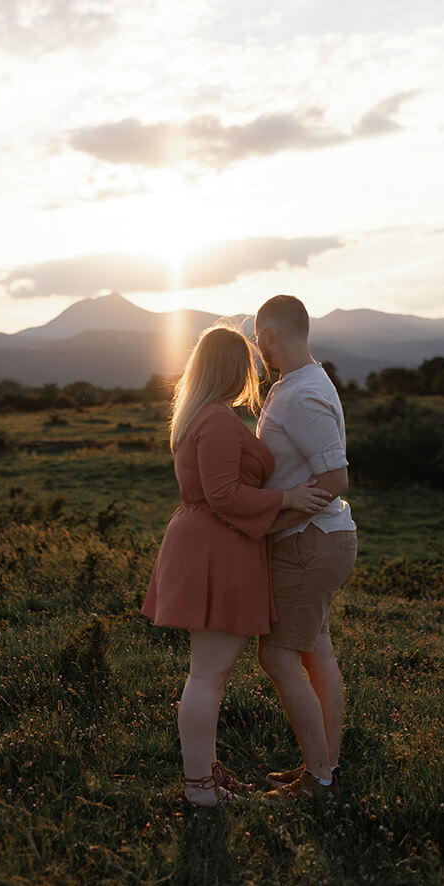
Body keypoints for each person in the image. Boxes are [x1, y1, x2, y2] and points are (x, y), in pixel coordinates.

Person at [142, 326, 332, 807]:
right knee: (207, 675)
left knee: (208, 673)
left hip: (210, 545)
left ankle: (204, 775)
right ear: (233, 369)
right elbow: (224, 494)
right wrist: (286, 496)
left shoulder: (202, 416)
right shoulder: (219, 422)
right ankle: (200, 790)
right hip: (215, 550)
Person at [251, 295, 357, 802]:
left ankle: (319, 781)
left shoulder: (302, 393)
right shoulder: (296, 385)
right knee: (316, 653)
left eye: (258, 335)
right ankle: (323, 769)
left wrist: (276, 518)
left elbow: (335, 475)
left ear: (269, 335)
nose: (257, 345)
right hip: (314, 539)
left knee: (276, 656)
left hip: (306, 542)